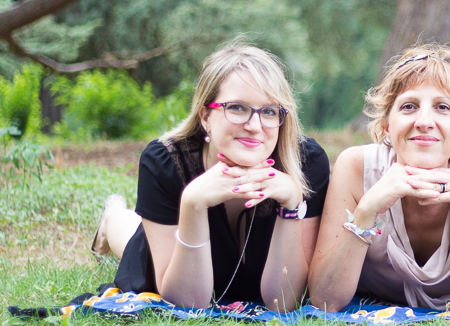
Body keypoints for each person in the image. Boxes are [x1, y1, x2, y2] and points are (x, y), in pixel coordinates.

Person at [91, 40, 330, 310]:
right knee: (130, 240)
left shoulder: (308, 164)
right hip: (175, 254)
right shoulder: (165, 162)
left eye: (269, 111)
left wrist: (292, 205)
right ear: (205, 115)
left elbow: (284, 301)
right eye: (237, 108)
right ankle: (112, 218)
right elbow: (187, 302)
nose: (255, 125)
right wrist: (192, 203)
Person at [308, 44, 450, 313]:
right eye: (409, 106)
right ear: (387, 126)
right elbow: (324, 300)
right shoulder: (356, 167)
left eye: (442, 107)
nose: (424, 121)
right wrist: (365, 212)